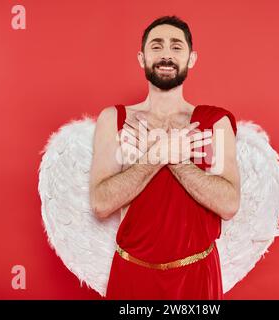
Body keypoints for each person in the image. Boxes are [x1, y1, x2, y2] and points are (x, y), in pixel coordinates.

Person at [89, 15, 240, 299]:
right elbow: (101, 203)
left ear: (191, 58)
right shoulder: (114, 119)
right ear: (141, 57)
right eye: (156, 46)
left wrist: (177, 160)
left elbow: (229, 204)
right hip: (132, 275)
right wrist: (154, 157)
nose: (166, 55)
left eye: (176, 47)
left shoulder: (215, 122)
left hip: (197, 277)